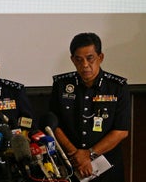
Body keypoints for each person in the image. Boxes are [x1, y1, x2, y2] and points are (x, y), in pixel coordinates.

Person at [49, 32, 131, 182]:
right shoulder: (61, 85)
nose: (85, 65)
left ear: (100, 57)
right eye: (79, 60)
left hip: (107, 169)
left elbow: (121, 131)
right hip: (71, 166)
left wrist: (89, 154)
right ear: (73, 60)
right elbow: (53, 124)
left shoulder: (117, 87)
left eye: (90, 58)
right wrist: (76, 155)